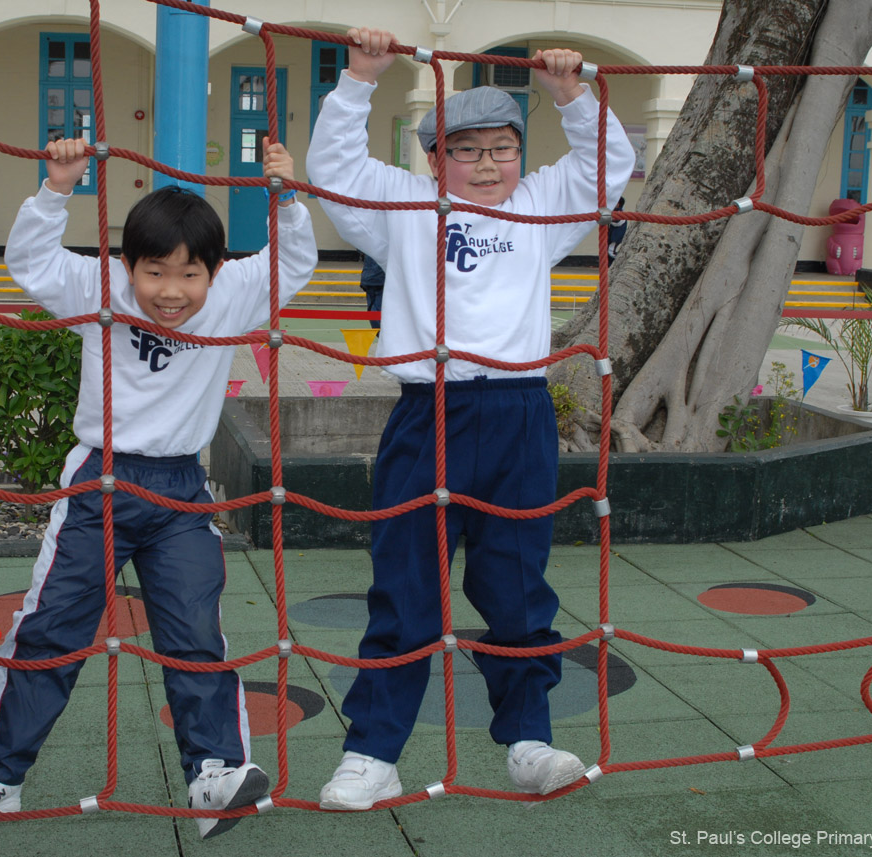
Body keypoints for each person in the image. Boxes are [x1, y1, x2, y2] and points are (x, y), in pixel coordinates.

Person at [305, 27, 633, 808]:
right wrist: (360, 78)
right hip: (428, 416)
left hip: (518, 415)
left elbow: (606, 169)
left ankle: (528, 737)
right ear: (433, 158)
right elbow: (335, 169)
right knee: (406, 586)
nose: (488, 165)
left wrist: (571, 96)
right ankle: (372, 751)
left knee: (516, 586)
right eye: (467, 150)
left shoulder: (543, 207)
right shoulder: (403, 205)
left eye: (502, 148)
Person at [0, 137, 317, 839]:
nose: (172, 292)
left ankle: (214, 771)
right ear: (128, 266)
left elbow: (293, 262)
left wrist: (287, 197)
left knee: (193, 629)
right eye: (155, 272)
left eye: (189, 274)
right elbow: (29, 264)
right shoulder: (103, 288)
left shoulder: (236, 291)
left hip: (182, 488)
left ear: (216, 271)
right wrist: (56, 186)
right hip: (102, 480)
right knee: (53, 626)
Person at [359, 252, 385, 328]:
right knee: (376, 310)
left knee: (373, 310)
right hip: (378, 280)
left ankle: (380, 333)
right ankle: (381, 333)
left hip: (369, 279)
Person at [607, 196, 627, 263]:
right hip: (612, 235)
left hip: (616, 236)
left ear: (618, 204)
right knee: (608, 249)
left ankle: (619, 262)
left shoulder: (620, 213)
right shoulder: (614, 212)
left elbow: (617, 221)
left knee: (611, 250)